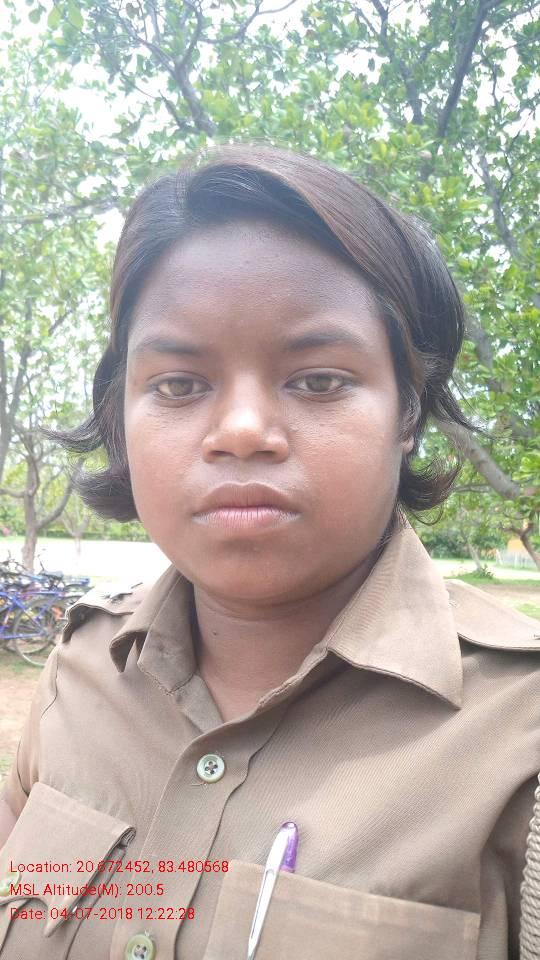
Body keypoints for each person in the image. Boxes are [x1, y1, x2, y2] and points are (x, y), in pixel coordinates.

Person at [0, 142, 538, 960]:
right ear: (121, 417)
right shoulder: (78, 670)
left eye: (318, 380)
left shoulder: (521, 740)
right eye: (178, 385)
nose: (243, 430)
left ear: (407, 413)